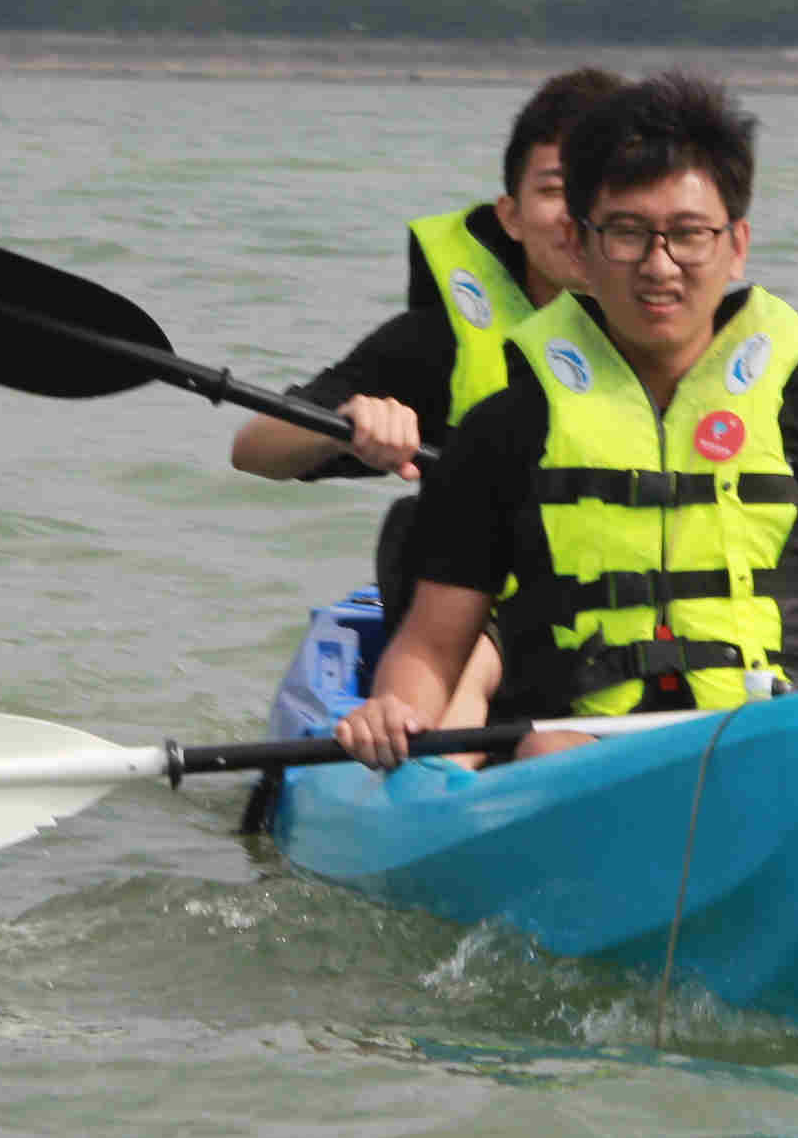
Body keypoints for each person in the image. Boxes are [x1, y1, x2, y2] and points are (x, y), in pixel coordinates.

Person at [334, 71, 798, 768]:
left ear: (735, 245)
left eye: (688, 234)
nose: (659, 266)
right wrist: (394, 709)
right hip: (577, 758)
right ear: (581, 246)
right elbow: (432, 647)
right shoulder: (504, 430)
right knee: (551, 749)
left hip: (781, 741)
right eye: (626, 234)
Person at [229, 66, 624, 736]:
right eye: (556, 190)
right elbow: (256, 449)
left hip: (637, 633)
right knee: (414, 527)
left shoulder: (687, 344)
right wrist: (347, 425)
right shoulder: (440, 341)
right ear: (511, 214)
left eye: (603, 188)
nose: (577, 216)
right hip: (479, 635)